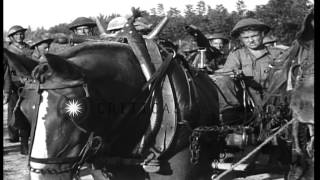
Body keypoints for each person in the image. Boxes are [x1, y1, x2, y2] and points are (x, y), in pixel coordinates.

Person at [213, 18, 284, 123]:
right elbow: (227, 74)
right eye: (246, 38)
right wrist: (235, 73)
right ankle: (231, 117)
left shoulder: (277, 54)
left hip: (273, 99)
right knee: (222, 80)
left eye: (254, 36)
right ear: (241, 39)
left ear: (262, 34)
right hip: (247, 101)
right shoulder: (236, 54)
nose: (250, 40)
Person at [4, 25, 34, 154]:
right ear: (11, 37)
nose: (20, 36)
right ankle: (13, 134)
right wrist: (6, 89)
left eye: (21, 34)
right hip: (14, 84)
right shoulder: (8, 50)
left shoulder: (29, 49)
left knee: (28, 110)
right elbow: (6, 71)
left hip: (29, 83)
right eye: (16, 34)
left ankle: (26, 138)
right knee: (13, 109)